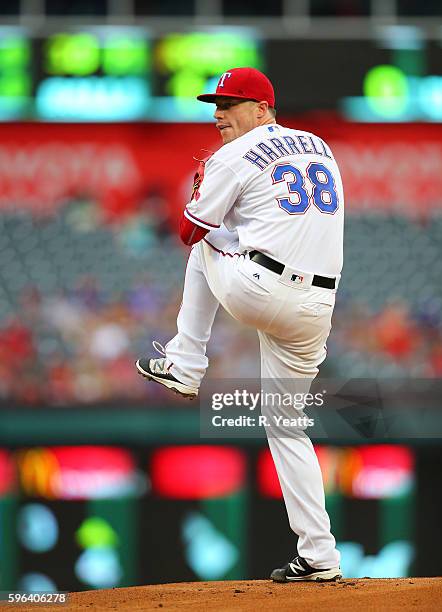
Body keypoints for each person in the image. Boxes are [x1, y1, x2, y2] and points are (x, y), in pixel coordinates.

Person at [136, 67, 343, 582]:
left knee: (205, 245)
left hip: (262, 290)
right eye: (216, 104)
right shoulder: (318, 145)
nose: (218, 114)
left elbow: (189, 231)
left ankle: (185, 364)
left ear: (263, 109)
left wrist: (200, 191)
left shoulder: (232, 155)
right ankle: (320, 556)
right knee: (287, 425)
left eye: (230, 104)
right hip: (317, 306)